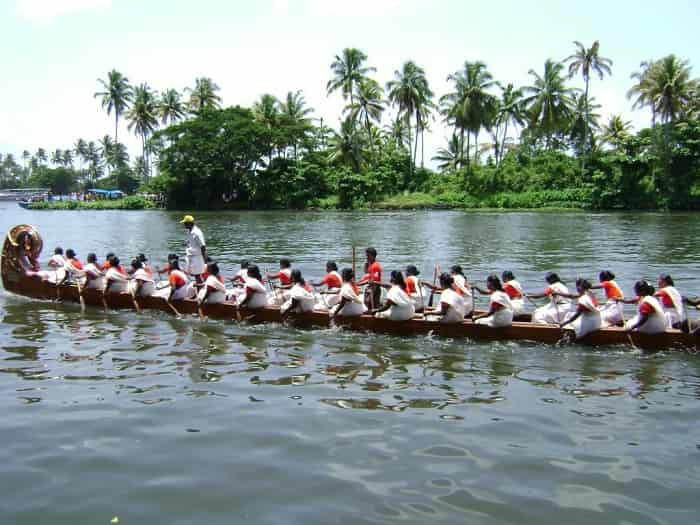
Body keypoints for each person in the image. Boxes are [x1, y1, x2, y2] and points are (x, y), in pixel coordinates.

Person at [180, 215, 207, 283]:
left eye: (185, 223)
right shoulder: (189, 231)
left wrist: (205, 260)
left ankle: (200, 288)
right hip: (191, 256)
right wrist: (186, 243)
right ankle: (199, 287)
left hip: (197, 256)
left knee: (197, 275)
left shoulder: (197, 233)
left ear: (189, 223)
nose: (184, 225)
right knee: (192, 273)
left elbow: (203, 246)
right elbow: (191, 241)